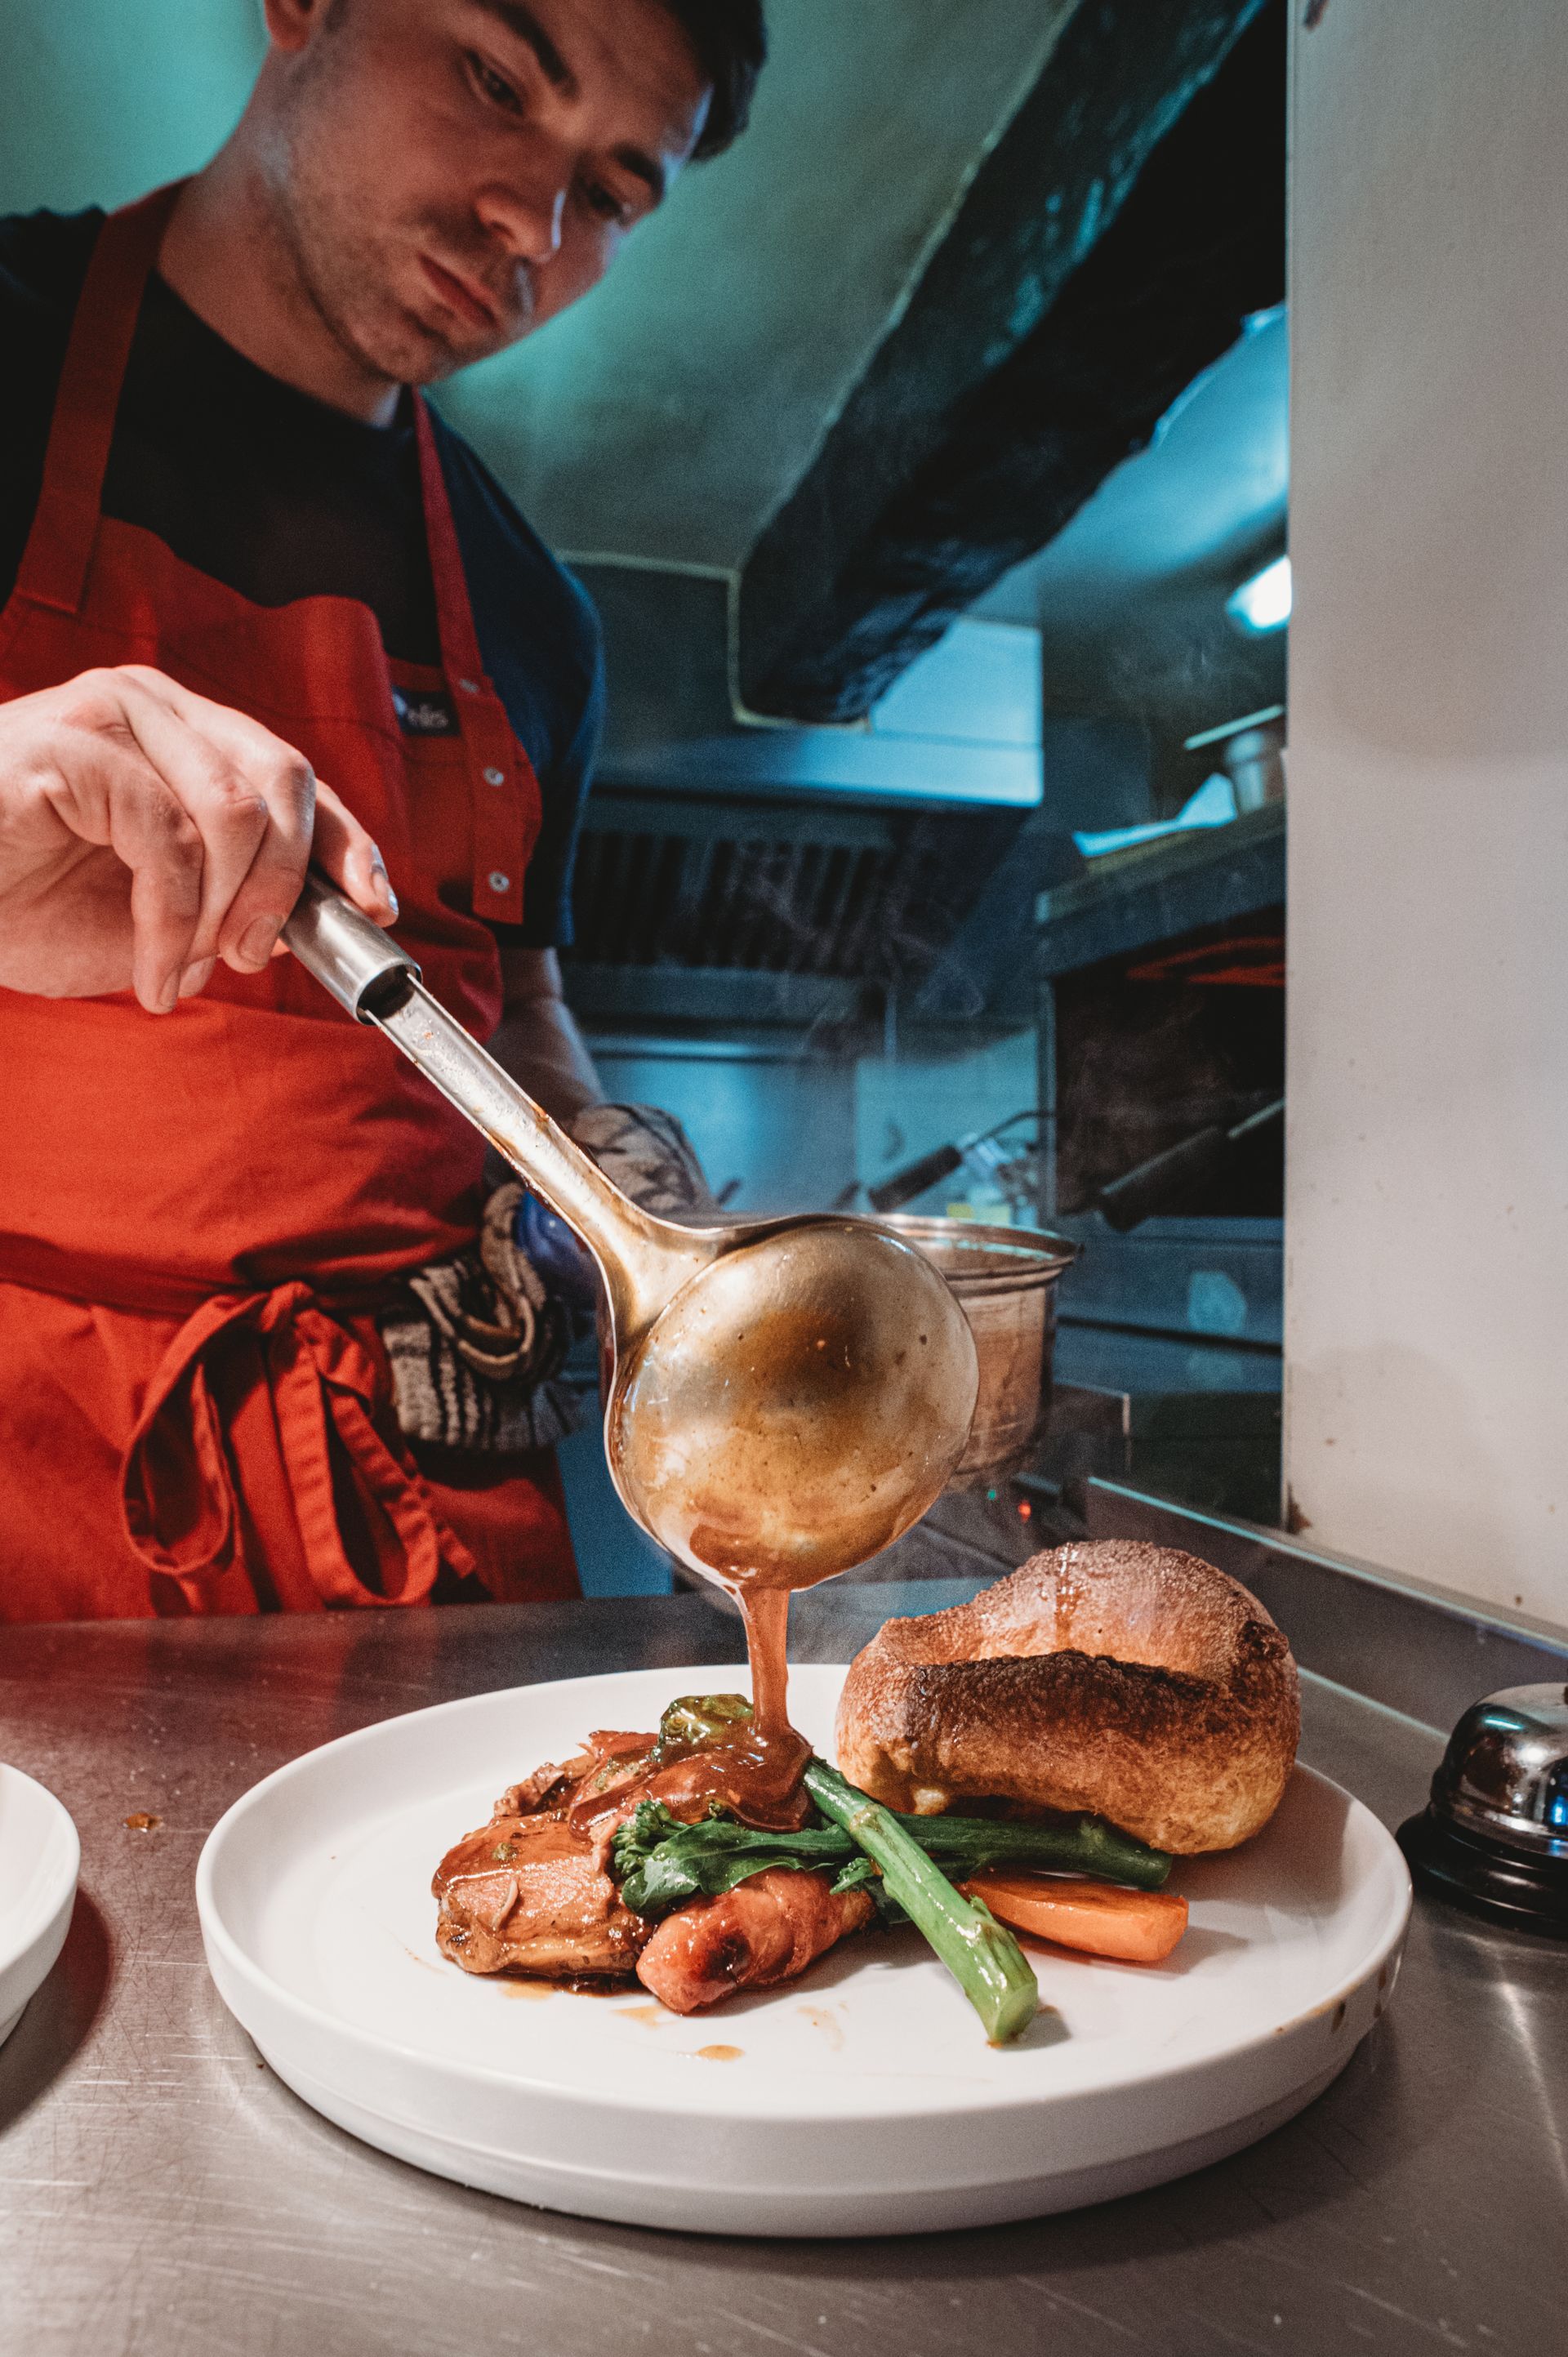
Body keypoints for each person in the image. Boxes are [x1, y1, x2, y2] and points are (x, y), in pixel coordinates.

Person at [0, 0, 766, 1621]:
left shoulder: (535, 611)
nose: (534, 228)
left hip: (419, 1508)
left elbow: (523, 1000)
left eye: (614, 191)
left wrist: (625, 1196)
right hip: (31, 1475)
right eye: (497, 80)